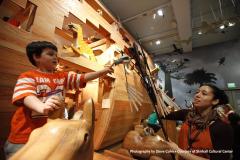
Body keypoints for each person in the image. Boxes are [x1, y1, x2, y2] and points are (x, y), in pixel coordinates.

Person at [4, 41, 114, 159]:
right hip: (25, 135)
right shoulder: (28, 76)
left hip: (51, 136)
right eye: (50, 54)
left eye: (56, 55)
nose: (55, 58)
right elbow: (26, 95)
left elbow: (83, 77)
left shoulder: (62, 76)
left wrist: (103, 72)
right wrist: (42, 107)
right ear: (36, 57)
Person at [161, 84, 234, 160]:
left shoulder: (222, 128)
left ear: (215, 101)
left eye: (204, 93)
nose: (197, 95)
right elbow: (162, 114)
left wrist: (178, 151)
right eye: (197, 92)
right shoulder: (186, 114)